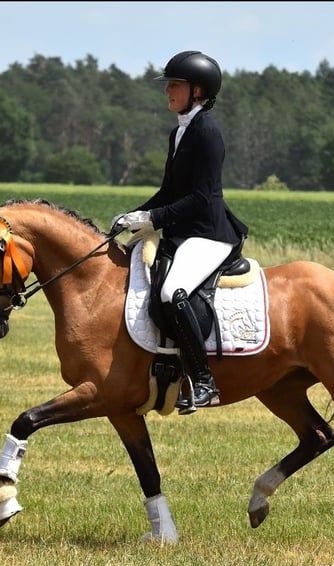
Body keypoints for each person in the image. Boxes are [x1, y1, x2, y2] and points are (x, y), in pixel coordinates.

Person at [113, 50, 249, 410]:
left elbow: (202, 198)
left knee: (174, 292)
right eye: (168, 85)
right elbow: (169, 192)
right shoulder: (179, 132)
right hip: (184, 233)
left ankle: (204, 381)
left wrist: (153, 220)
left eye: (175, 85)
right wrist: (135, 214)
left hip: (209, 234)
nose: (168, 91)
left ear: (198, 91)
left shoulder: (207, 132)